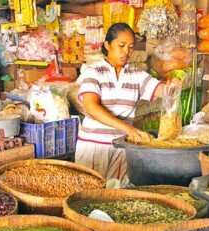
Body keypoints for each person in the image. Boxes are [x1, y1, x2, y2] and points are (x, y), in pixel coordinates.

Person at [76, 22, 179, 180]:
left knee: (116, 195)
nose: (127, 51)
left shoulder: (136, 75)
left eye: (131, 47)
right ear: (107, 45)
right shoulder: (94, 73)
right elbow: (91, 107)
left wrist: (172, 85)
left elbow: (161, 90)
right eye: (121, 45)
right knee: (88, 195)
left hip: (122, 147)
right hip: (94, 146)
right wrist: (127, 128)